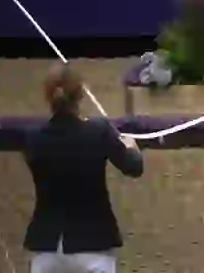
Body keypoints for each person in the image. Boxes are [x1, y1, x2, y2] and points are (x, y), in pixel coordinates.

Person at [23, 63, 143, 273]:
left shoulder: (33, 138)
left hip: (47, 247)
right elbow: (134, 167)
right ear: (80, 95)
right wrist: (132, 147)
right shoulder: (99, 131)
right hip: (94, 245)